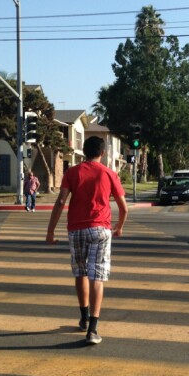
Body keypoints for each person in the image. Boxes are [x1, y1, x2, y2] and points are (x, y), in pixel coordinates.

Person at [46, 136, 128, 345]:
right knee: (97, 276)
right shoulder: (109, 173)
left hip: (76, 229)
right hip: (100, 229)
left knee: (80, 272)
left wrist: (50, 231)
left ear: (83, 151)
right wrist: (119, 227)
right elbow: (123, 207)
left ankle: (83, 317)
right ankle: (92, 329)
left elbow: (61, 200)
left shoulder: (72, 172)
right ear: (102, 153)